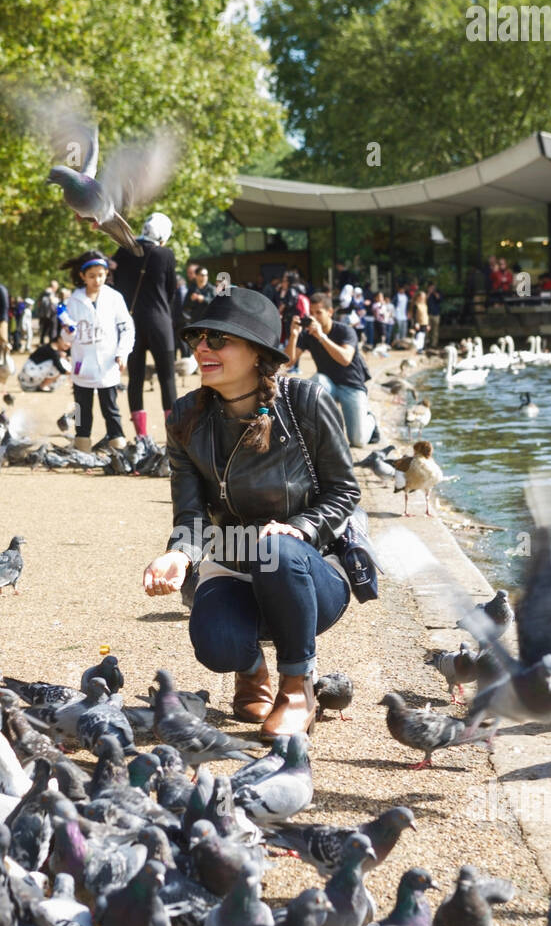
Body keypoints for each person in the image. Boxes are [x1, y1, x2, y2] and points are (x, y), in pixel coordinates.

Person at [142, 287, 359, 738]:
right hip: (234, 564)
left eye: (218, 339)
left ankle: (298, 687)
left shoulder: (305, 403)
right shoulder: (185, 416)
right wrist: (179, 555)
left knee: (275, 548)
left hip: (307, 570)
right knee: (216, 646)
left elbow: (344, 491)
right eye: (198, 337)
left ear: (259, 353)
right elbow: (190, 516)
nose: (202, 347)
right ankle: (250, 667)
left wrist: (299, 528)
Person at [112, 211, 178, 436]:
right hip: (160, 322)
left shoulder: (123, 252)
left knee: (135, 379)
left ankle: (141, 436)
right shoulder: (165, 255)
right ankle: (172, 437)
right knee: (167, 379)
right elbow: (171, 292)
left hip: (131, 323)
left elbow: (117, 285)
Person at [61, 250, 134, 452]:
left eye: (101, 275)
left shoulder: (114, 298)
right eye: (92, 276)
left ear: (106, 274)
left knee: (110, 407)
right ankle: (82, 442)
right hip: (82, 363)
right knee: (81, 407)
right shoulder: (73, 301)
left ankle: (117, 442)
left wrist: (123, 352)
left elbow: (127, 327)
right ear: (82, 276)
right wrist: (67, 332)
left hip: (108, 361)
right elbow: (67, 337)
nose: (97, 280)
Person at [286, 291, 373, 449]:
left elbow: (345, 359)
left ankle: (370, 419)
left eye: (318, 312)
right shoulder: (308, 335)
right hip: (328, 385)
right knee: (316, 381)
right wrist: (293, 336)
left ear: (330, 312)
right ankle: (318, 436)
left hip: (351, 386)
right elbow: (289, 363)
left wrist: (322, 337)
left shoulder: (345, 330)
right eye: (311, 313)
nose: (314, 317)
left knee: (358, 441)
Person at [426, 281, 442, 349]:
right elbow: (424, 300)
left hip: (436, 314)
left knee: (435, 330)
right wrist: (429, 293)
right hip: (428, 314)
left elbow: (439, 299)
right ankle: (427, 342)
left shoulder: (438, 293)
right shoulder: (426, 294)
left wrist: (435, 293)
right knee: (427, 330)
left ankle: (434, 344)